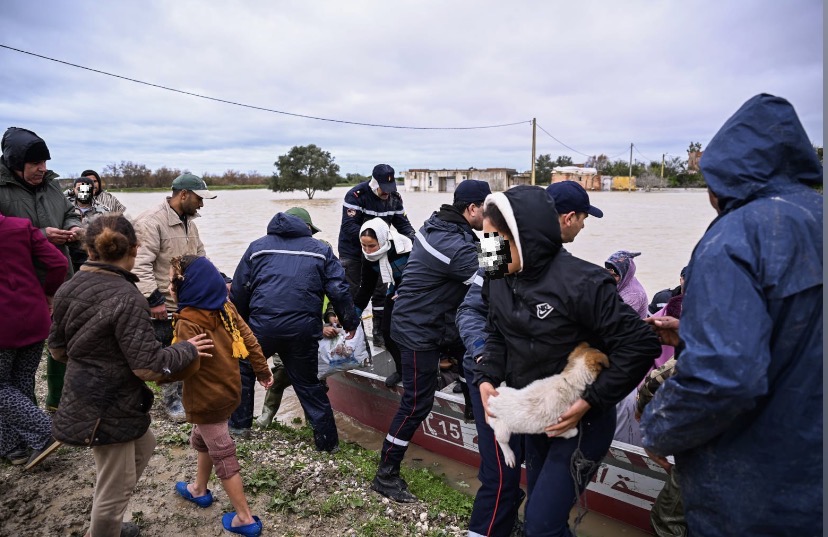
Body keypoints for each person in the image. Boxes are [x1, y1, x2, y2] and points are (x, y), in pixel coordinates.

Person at [640, 94, 823, 536]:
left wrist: (659, 428)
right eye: (579, 217)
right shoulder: (812, 216)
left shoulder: (734, 237)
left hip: (755, 484)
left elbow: (725, 375)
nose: (582, 225)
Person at [474, 185, 661, 536]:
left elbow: (641, 344)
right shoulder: (496, 268)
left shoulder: (583, 282)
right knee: (545, 519)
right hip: (538, 414)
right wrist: (486, 377)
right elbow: (496, 329)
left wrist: (591, 401)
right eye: (484, 238)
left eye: (496, 238)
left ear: (525, 236)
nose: (488, 248)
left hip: (582, 423)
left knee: (540, 525)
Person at [47, 215, 212, 537]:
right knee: (115, 488)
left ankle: (107, 523)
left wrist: (94, 358)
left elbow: (57, 350)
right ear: (134, 250)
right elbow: (148, 367)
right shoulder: (128, 297)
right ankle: (105, 530)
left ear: (88, 248)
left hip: (83, 393)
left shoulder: (68, 288)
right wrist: (187, 349)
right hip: (109, 405)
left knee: (144, 444)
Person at [456, 181, 603, 536]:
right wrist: (486, 361)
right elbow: (471, 312)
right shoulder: (496, 249)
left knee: (540, 499)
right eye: (580, 219)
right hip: (492, 374)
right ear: (563, 219)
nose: (581, 228)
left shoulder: (572, 273)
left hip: (537, 389)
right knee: (501, 475)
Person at [371, 179, 491, 503]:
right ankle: (386, 475)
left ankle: (470, 408)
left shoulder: (440, 225)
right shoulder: (454, 245)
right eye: (489, 209)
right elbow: (497, 276)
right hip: (417, 330)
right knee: (416, 404)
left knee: (473, 358)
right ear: (472, 209)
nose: (492, 214)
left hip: (435, 322)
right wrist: (499, 233)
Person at [231, 209, 360, 452]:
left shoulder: (257, 247)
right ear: (308, 229)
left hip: (262, 328)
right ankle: (327, 445)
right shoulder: (321, 250)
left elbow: (239, 290)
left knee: (243, 371)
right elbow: (340, 290)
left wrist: (243, 328)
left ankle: (239, 429)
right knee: (309, 385)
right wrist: (350, 322)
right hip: (302, 331)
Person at [167, 255, 273, 537]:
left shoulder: (188, 321)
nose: (169, 287)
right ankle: (199, 489)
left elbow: (179, 368)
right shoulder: (224, 306)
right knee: (204, 438)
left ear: (187, 287)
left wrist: (153, 367)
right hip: (229, 389)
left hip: (206, 398)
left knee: (223, 452)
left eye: (172, 282)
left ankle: (245, 518)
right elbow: (248, 337)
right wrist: (262, 370)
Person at [0, 126, 82, 412]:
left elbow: (70, 211)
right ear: (15, 163)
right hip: (19, 285)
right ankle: (28, 419)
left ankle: (57, 402)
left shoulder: (50, 184)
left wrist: (74, 227)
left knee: (64, 338)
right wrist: (42, 235)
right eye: (35, 164)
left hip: (60, 275)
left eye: (45, 162)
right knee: (17, 363)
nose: (42, 169)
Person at [132, 173, 216, 422]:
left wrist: (219, 278)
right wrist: (153, 299)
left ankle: (186, 392)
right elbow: (139, 265)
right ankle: (170, 400)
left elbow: (200, 257)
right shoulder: (151, 221)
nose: (202, 204)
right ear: (183, 195)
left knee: (188, 345)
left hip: (186, 302)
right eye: (199, 198)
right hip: (161, 301)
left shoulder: (190, 221)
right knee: (166, 348)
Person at [0, 211, 67, 465]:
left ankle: (47, 430)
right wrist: (49, 292)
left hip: (3, 325)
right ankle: (16, 447)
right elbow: (58, 263)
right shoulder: (21, 227)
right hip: (33, 315)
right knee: (20, 383)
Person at [337, 164, 416, 347]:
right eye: (384, 190)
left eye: (391, 189)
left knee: (380, 292)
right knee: (355, 293)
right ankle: (357, 337)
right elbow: (349, 228)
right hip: (354, 252)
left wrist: (414, 242)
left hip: (379, 250)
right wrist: (374, 241)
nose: (387, 194)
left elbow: (403, 225)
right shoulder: (356, 196)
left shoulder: (395, 198)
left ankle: (381, 333)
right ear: (374, 184)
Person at [352, 217, 412, 387]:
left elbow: (422, 272)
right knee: (387, 331)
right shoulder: (368, 258)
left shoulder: (406, 248)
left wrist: (406, 290)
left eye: (371, 246)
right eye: (364, 246)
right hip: (395, 289)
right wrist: (353, 315)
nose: (368, 251)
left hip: (415, 288)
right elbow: (366, 288)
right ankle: (402, 370)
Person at [67, 177, 109, 272]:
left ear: (93, 191)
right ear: (74, 190)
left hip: (91, 254)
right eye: (79, 189)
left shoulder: (104, 211)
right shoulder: (64, 206)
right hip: (67, 252)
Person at [605, 250, 649, 318]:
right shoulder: (619, 284)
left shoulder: (634, 295)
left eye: (615, 275)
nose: (609, 277)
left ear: (625, 275)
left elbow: (614, 320)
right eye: (607, 273)